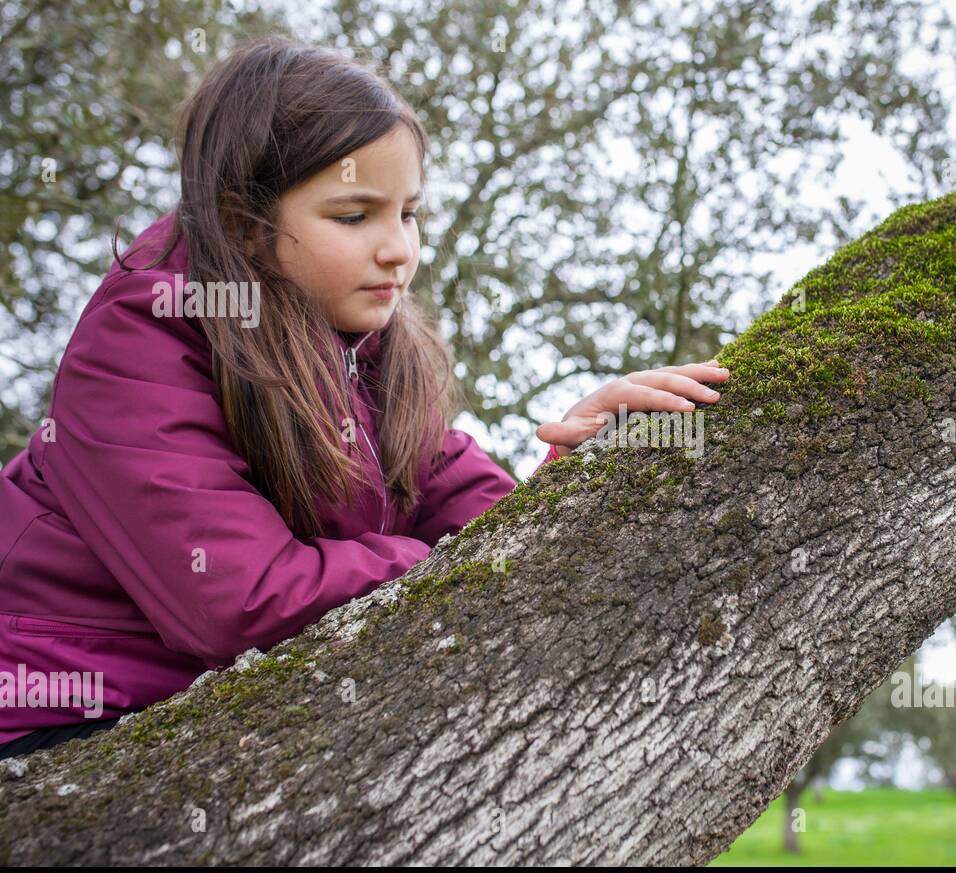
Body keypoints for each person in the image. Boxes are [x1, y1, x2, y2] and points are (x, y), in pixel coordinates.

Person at [0, 35, 729, 759]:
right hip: (59, 714)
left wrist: (570, 465)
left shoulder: (368, 349)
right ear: (245, 225)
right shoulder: (143, 332)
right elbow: (240, 603)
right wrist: (429, 561)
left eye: (408, 213)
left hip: (207, 707)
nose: (398, 250)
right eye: (355, 216)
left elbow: (493, 540)